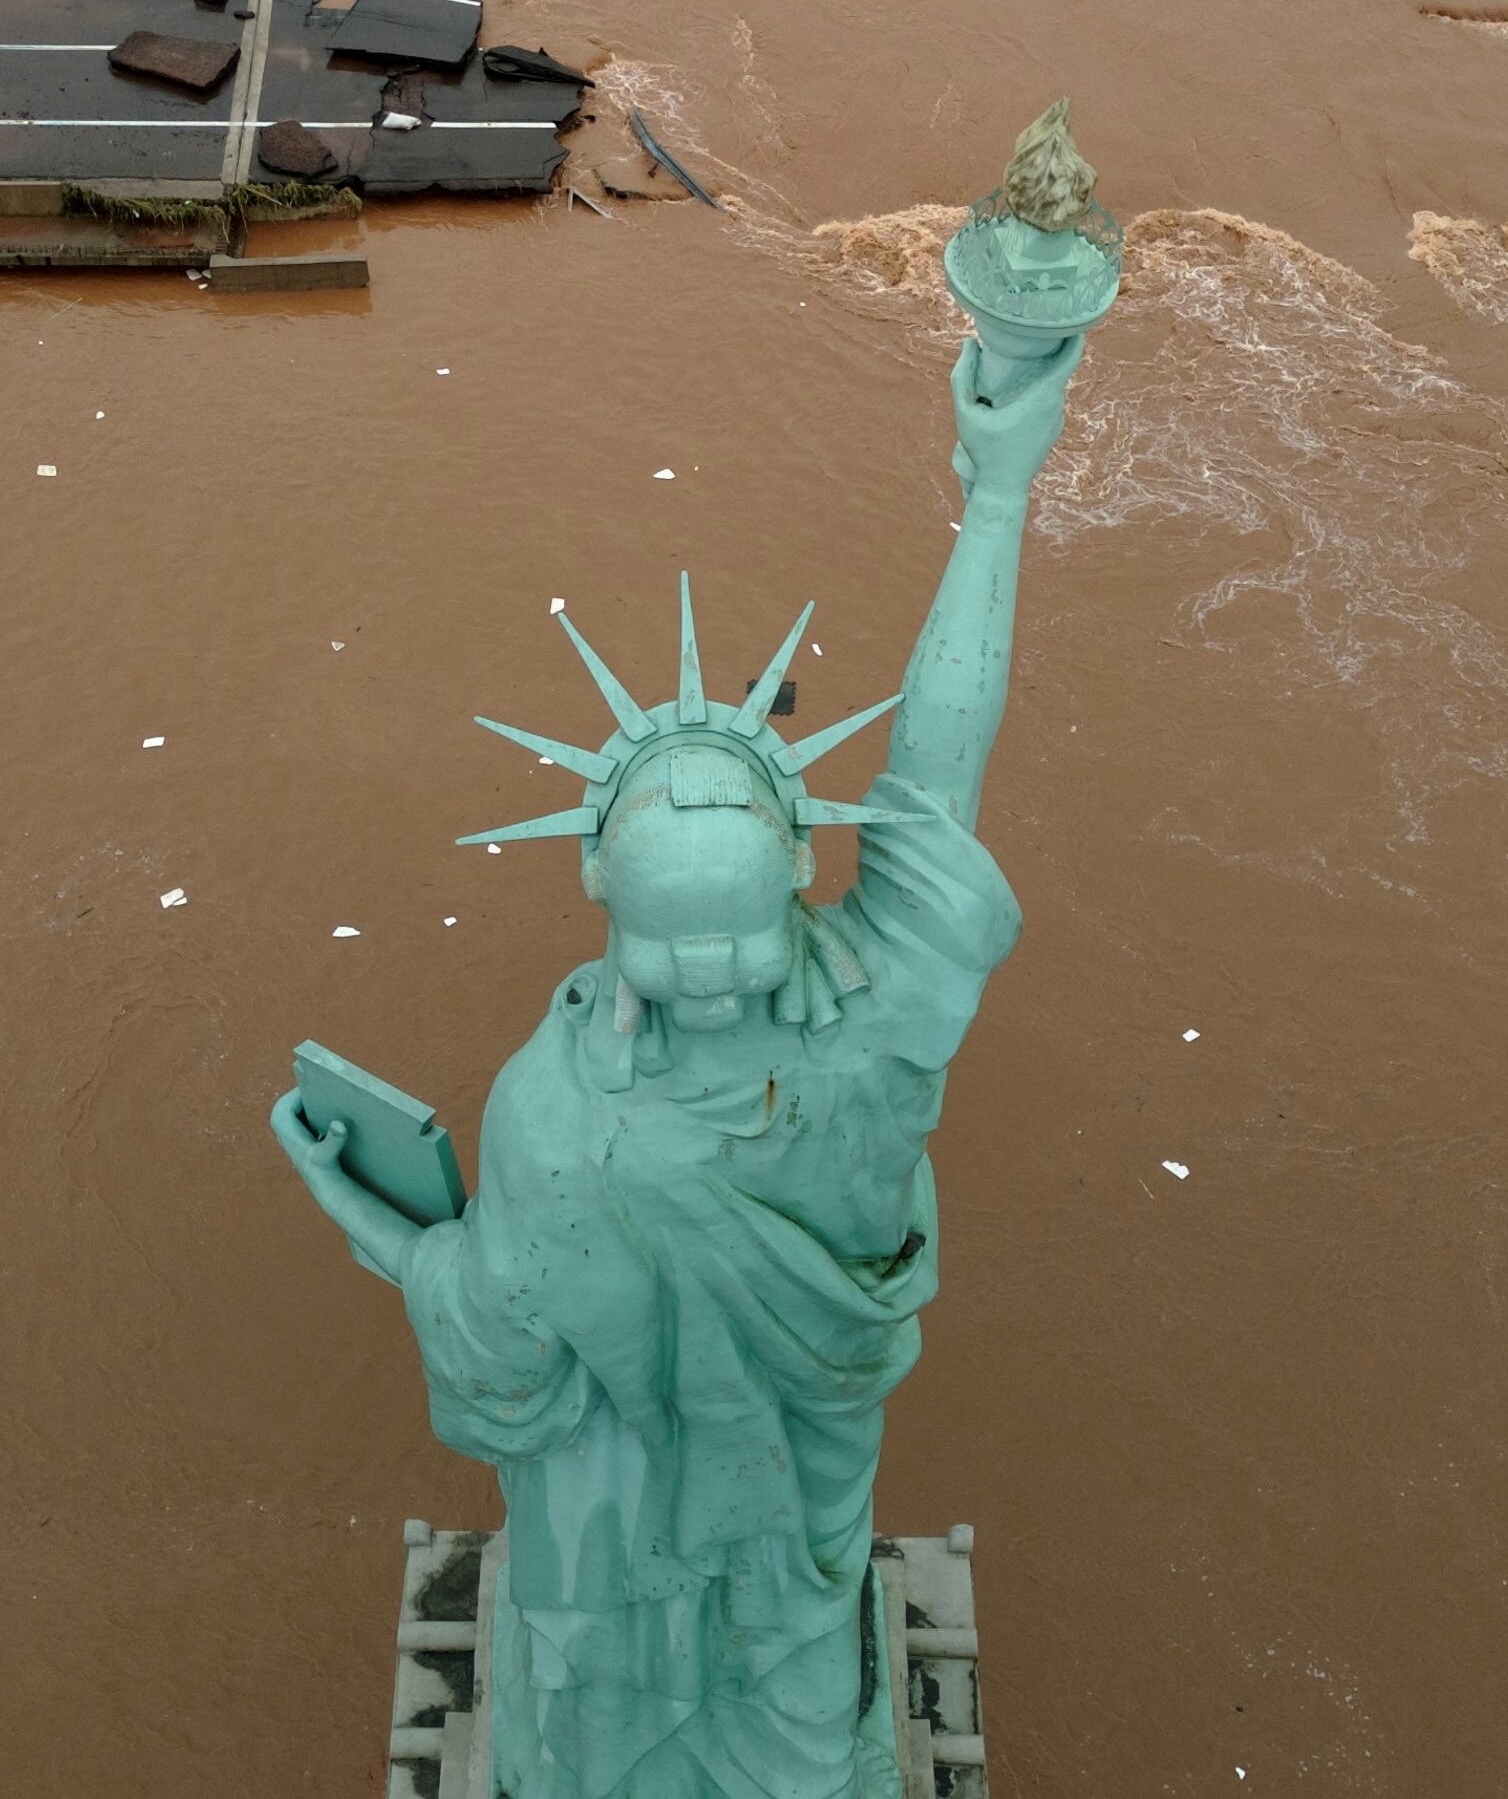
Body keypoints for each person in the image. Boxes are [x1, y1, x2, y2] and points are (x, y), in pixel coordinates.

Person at [272, 333, 1085, 1799]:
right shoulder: (880, 1018)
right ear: (800, 858)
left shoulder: (557, 1115)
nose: (708, 981)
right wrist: (999, 497)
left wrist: (384, 1230)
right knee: (786, 1639)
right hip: (793, 1513)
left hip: (607, 1545)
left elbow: (500, 1361)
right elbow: (940, 769)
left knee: (588, 1662)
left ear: (592, 874)